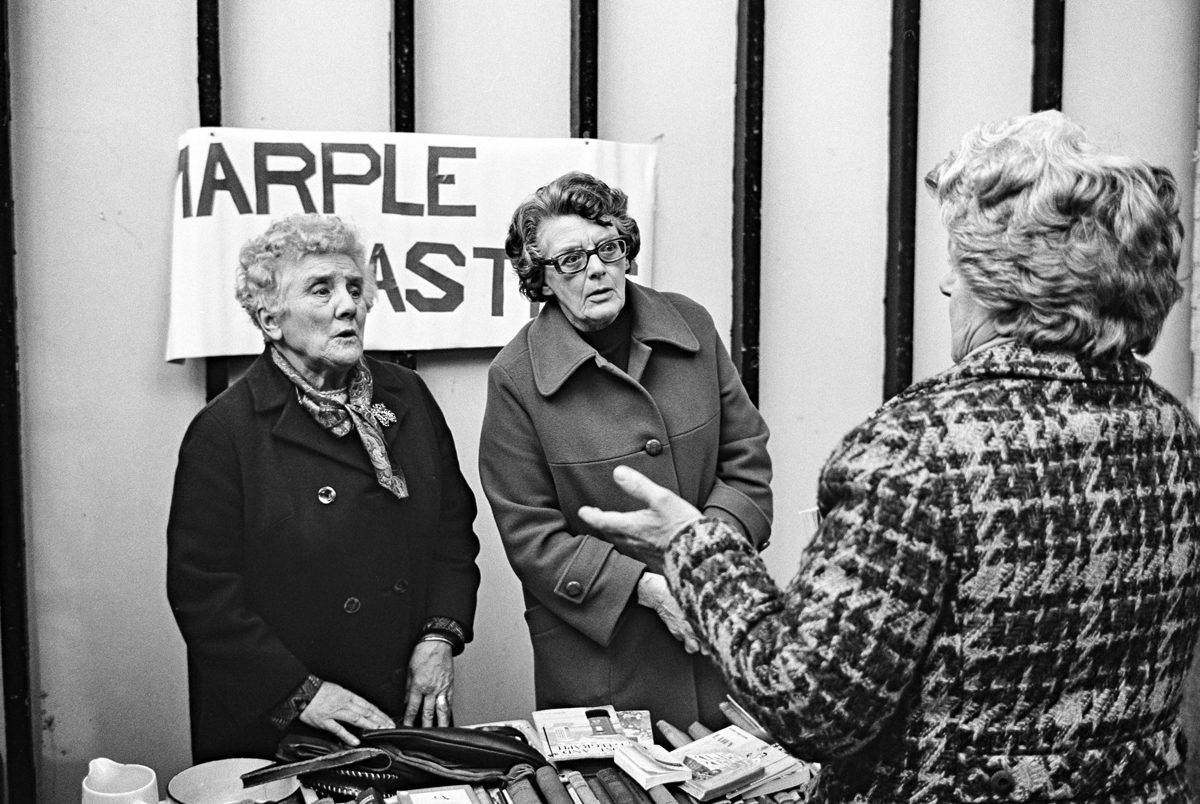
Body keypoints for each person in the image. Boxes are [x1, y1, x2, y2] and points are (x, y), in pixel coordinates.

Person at [578, 111, 1200, 803]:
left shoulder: (919, 448)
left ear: (1007, 288)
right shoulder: (1173, 431)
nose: (944, 287)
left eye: (960, 265)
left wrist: (692, 544)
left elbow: (810, 703)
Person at [168, 213, 481, 762]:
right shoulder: (225, 432)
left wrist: (439, 639)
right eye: (322, 289)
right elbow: (204, 593)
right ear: (270, 320)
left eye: (355, 288)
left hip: (401, 700)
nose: (348, 305)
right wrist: (298, 693)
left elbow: (453, 534)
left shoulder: (407, 396)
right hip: (283, 721)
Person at [479, 171, 773, 732]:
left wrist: (703, 566)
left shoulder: (690, 324)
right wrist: (650, 590)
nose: (595, 268)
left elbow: (747, 457)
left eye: (608, 248)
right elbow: (530, 534)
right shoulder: (515, 379)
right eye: (570, 259)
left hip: (718, 636)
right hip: (605, 664)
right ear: (539, 279)